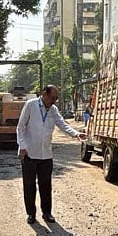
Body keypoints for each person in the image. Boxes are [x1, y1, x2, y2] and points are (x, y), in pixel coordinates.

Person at [17, 85, 84, 224]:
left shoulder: (53, 109)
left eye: (56, 98)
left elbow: (62, 124)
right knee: (29, 185)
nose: (54, 101)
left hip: (46, 154)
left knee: (45, 185)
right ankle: (31, 214)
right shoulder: (31, 105)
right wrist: (22, 146)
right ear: (44, 94)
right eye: (52, 98)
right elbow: (21, 126)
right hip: (29, 152)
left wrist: (76, 133)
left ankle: (47, 213)